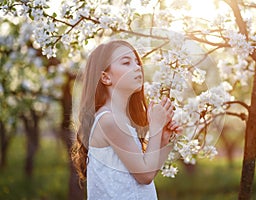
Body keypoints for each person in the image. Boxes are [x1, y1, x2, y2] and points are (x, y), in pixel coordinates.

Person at [71, 40, 182, 200]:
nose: (137, 67)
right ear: (106, 77)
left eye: (137, 62)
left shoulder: (121, 119)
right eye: (126, 62)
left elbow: (147, 172)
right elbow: (144, 176)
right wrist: (156, 126)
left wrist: (163, 139)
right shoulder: (109, 120)